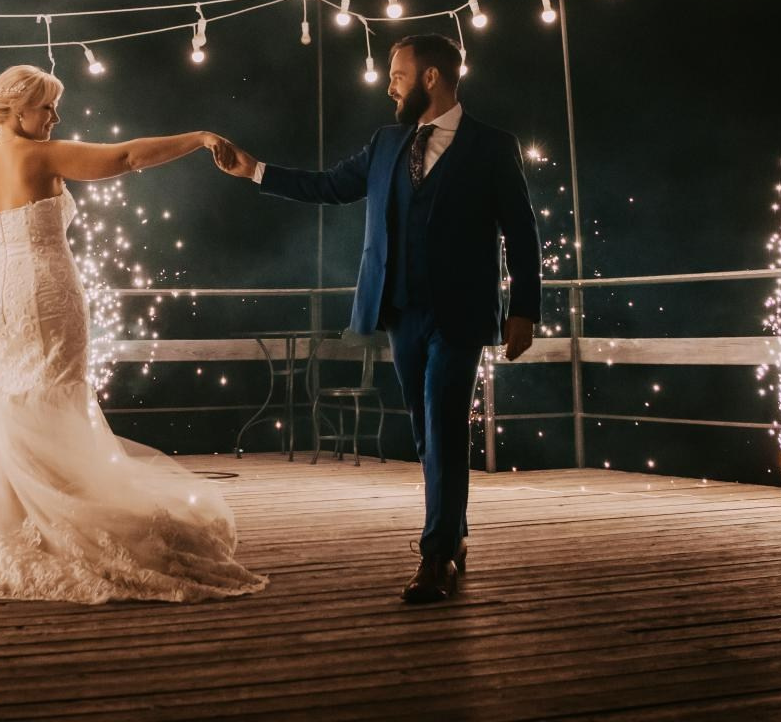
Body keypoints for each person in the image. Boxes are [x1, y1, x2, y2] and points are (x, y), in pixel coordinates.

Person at [0, 64, 267, 603]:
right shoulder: (42, 156)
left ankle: (22, 525)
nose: (55, 117)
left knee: (20, 404)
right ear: (19, 109)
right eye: (47, 106)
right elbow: (125, 157)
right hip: (49, 295)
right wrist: (198, 138)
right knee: (57, 403)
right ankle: (65, 521)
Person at [213, 34, 539, 604]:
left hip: (460, 313)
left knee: (441, 423)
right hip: (398, 309)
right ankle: (454, 533)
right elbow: (330, 187)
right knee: (425, 427)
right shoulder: (386, 142)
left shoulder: (492, 145)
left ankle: (435, 557)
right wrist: (255, 171)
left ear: (431, 78)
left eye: (398, 74)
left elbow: (522, 229)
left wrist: (525, 310)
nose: (389, 85)